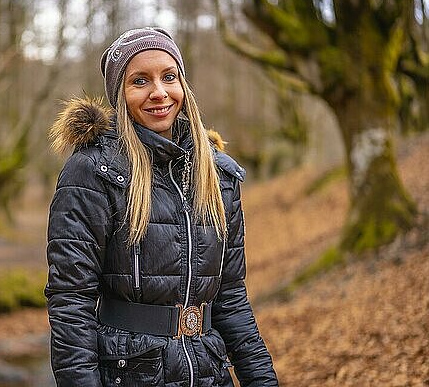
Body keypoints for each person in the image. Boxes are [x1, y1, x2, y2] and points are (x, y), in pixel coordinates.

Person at [45, 27, 278, 387]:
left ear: (182, 85)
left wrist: (262, 380)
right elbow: (71, 302)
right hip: (129, 373)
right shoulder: (92, 172)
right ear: (120, 95)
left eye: (169, 77)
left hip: (208, 371)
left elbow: (230, 297)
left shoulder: (217, 175)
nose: (159, 92)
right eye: (140, 81)